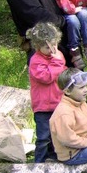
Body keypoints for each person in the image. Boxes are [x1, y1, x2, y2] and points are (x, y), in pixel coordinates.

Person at [27, 22, 67, 163]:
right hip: (43, 106)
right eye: (47, 47)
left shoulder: (58, 55)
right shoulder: (36, 61)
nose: (52, 49)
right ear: (38, 46)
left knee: (57, 136)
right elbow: (46, 77)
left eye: (54, 45)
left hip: (58, 103)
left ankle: (55, 160)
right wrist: (57, 63)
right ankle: (39, 164)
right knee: (44, 137)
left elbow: (63, 74)